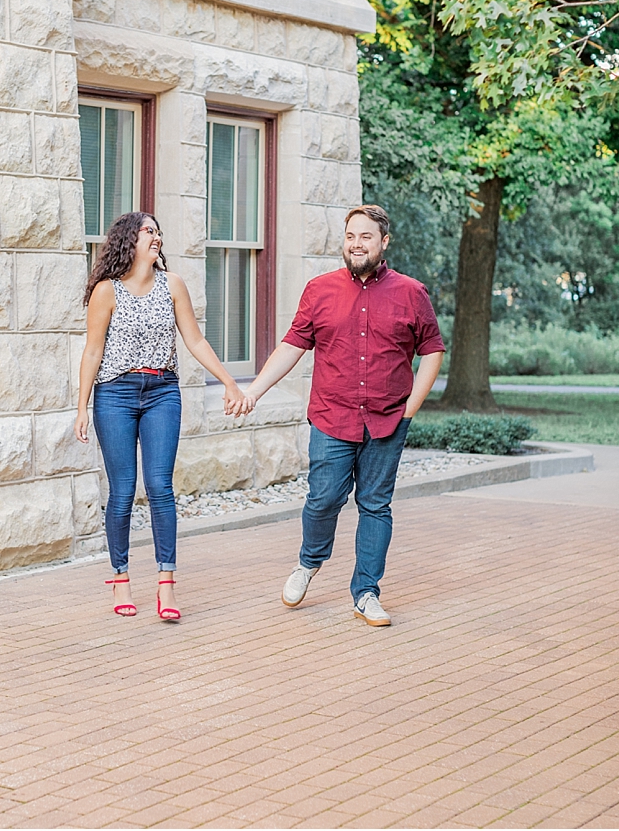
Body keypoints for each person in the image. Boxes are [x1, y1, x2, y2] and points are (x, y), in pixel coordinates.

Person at [243, 204, 445, 626]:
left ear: (384, 242)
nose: (356, 244)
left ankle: (366, 593)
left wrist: (411, 407)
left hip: (388, 420)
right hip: (332, 417)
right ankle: (308, 562)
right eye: (351, 236)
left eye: (366, 237)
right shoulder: (320, 290)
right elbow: (292, 347)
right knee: (324, 498)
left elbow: (432, 350)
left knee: (375, 505)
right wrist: (255, 391)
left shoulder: (412, 292)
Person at [75, 211, 250, 620]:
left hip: (162, 393)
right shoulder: (107, 291)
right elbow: (93, 350)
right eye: (149, 231)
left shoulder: (173, 286)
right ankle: (121, 579)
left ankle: (166, 586)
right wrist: (82, 406)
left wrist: (229, 381)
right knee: (122, 491)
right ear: (128, 240)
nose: (157, 238)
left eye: (158, 232)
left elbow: (195, 339)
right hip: (114, 394)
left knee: (159, 487)